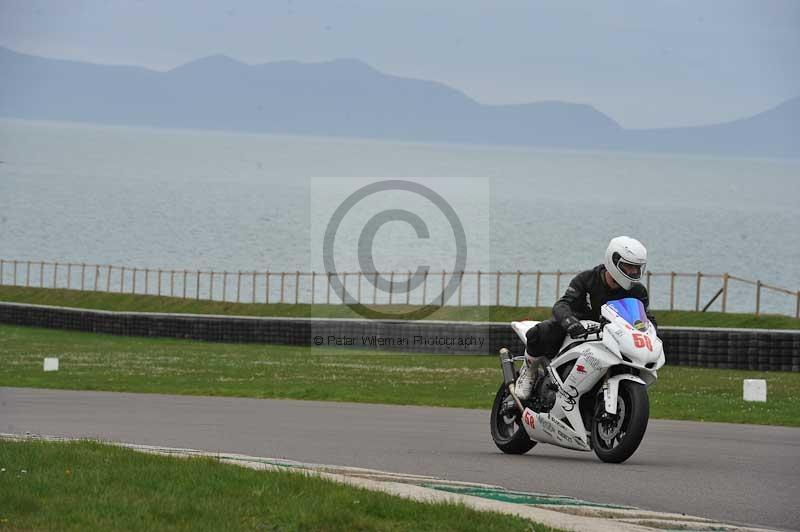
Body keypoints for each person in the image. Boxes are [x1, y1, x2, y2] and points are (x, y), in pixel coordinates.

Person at [515, 236, 657, 400]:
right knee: (543, 331)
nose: (633, 272)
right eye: (629, 266)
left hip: (612, 336)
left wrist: (652, 333)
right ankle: (529, 370)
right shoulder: (587, 279)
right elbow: (562, 304)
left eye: (637, 268)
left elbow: (645, 319)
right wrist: (570, 322)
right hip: (577, 330)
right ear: (613, 261)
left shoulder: (638, 292)